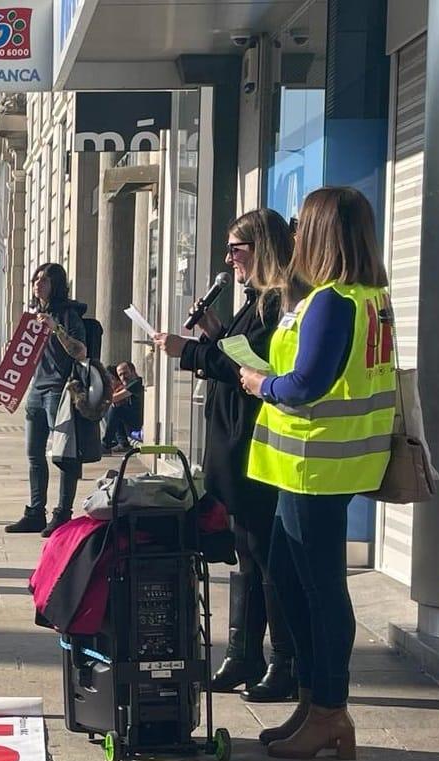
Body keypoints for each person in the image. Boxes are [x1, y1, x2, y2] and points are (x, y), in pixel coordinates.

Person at [239, 186, 397, 760]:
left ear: (324, 233)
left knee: (320, 590)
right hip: (317, 462)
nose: (297, 237)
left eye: (304, 227)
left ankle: (329, 710)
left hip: (316, 464)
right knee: (287, 578)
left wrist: (260, 384)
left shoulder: (335, 301)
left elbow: (306, 386)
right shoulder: (365, 296)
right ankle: (313, 701)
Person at [157, 208, 300, 703]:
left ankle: (285, 660)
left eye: (236, 249)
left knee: (265, 554)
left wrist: (188, 351)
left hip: (254, 443)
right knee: (245, 552)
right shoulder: (254, 301)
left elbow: (251, 368)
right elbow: (239, 356)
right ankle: (243, 652)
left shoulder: (279, 303)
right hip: (231, 437)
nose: (229, 260)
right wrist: (215, 330)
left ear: (260, 249)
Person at [5, 263, 91, 535]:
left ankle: (63, 513)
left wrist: (56, 329)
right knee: (34, 454)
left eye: (44, 280)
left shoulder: (68, 314)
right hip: (36, 390)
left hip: (59, 390)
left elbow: (80, 351)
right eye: (36, 279)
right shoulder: (34, 313)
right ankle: (35, 511)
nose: (38, 284)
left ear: (56, 285)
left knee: (65, 455)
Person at [102, 362, 145, 453]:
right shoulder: (128, 385)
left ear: (133, 371)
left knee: (116, 410)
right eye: (120, 375)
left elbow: (114, 398)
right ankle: (123, 443)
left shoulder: (137, 383)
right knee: (115, 408)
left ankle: (106, 445)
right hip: (131, 423)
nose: (123, 377)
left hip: (139, 423)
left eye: (125, 373)